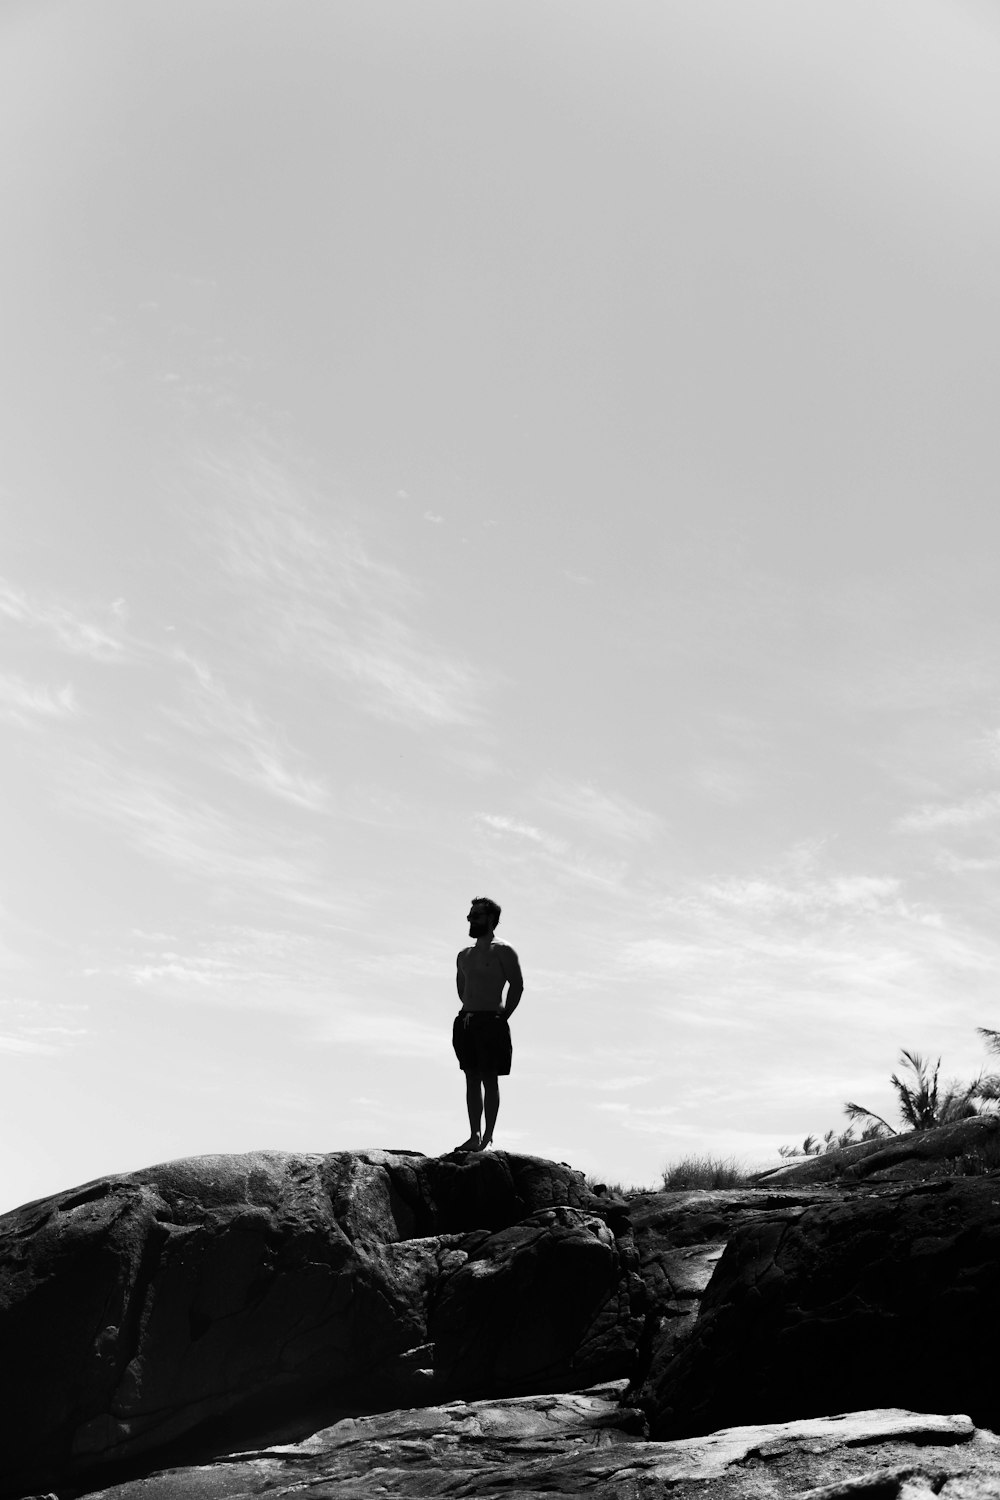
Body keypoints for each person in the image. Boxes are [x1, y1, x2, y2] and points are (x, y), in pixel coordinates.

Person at [452, 896, 523, 1152]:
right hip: (467, 1020)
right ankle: (474, 1134)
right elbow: (462, 988)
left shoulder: (503, 950)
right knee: (471, 1078)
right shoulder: (464, 954)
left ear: (490, 919)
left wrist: (503, 1015)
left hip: (491, 1021)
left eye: (476, 916)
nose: (471, 919)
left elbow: (517, 985)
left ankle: (487, 1136)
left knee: (489, 1079)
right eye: (470, 915)